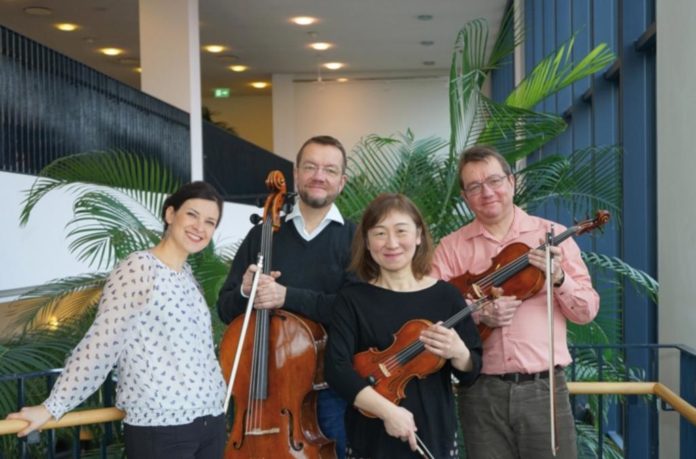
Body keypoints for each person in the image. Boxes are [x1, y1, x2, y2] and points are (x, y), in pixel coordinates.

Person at [6, 181, 228, 458]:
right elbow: (102, 344)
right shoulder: (139, 268)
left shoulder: (188, 278)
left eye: (210, 222)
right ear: (170, 214)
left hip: (210, 421)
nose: (200, 227)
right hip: (163, 427)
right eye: (192, 215)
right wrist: (52, 407)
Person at [431, 145, 600, 459]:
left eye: (494, 180)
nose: (487, 192)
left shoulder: (552, 235)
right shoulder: (450, 248)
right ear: (465, 197)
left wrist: (559, 277)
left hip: (544, 389)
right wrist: (478, 315)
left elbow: (587, 311)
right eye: (474, 186)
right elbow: (431, 315)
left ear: (511, 182)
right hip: (480, 391)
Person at [217, 135, 356, 457]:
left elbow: (354, 312)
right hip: (260, 392)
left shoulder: (356, 238)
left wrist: (286, 296)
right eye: (310, 167)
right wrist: (245, 292)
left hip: (331, 390)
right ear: (296, 173)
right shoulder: (261, 234)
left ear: (342, 181)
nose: (319, 176)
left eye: (330, 170)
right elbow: (225, 308)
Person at [324, 193, 482, 459]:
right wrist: (388, 411)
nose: (392, 243)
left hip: (433, 434)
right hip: (371, 438)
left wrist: (459, 352)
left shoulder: (446, 296)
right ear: (367, 242)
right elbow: (337, 370)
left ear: (418, 235)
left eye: (401, 231)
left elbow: (472, 371)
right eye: (380, 233)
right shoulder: (351, 300)